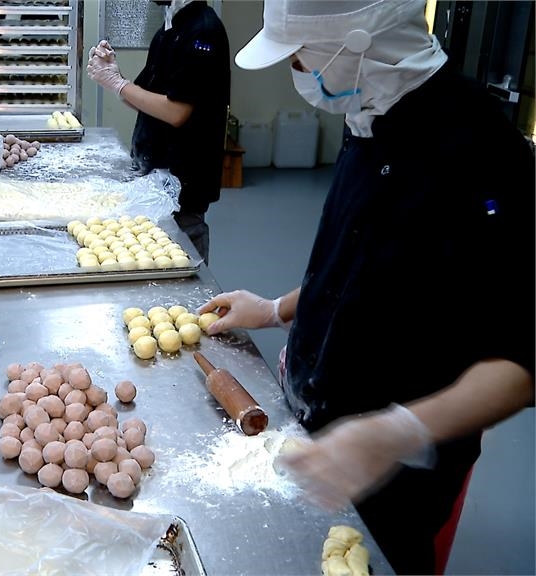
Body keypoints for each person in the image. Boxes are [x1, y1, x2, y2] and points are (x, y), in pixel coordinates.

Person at [197, 1, 535, 573]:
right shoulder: (367, 116)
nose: (297, 73)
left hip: (399, 471)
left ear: (354, 45)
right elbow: (366, 269)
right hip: (317, 429)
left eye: (301, 58)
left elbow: (520, 364)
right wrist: (276, 309)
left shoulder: (485, 155)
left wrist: (397, 432)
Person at [87, 0, 229, 265]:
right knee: (149, 258)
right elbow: (143, 97)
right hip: (155, 176)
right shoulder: (169, 27)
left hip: (183, 181)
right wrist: (113, 76)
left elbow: (177, 112)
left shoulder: (203, 30)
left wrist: (118, 84)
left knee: (181, 265)